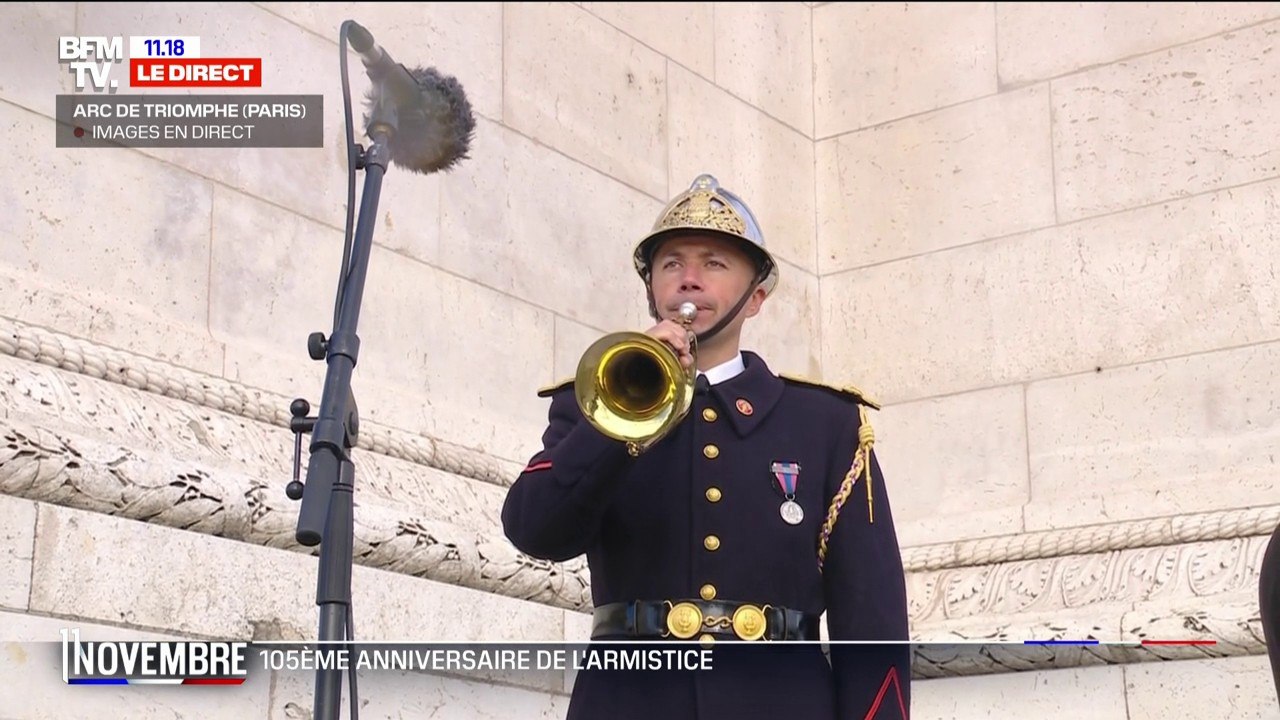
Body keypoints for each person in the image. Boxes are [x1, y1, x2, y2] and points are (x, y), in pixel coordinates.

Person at [502, 174, 911, 719]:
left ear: (757, 296)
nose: (689, 280)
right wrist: (618, 419)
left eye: (714, 264)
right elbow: (535, 530)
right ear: (651, 288)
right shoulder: (589, 404)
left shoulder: (824, 423)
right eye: (672, 264)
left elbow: (872, 618)